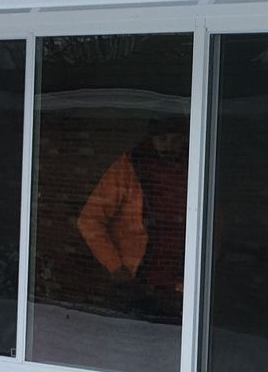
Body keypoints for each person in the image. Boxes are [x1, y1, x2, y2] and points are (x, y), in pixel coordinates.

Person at [75, 118, 189, 321]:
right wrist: (116, 267)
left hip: (181, 284)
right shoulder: (129, 167)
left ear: (185, 139)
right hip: (135, 283)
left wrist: (205, 267)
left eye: (175, 139)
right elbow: (89, 219)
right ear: (151, 139)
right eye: (162, 139)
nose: (169, 146)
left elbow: (213, 223)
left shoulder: (196, 167)